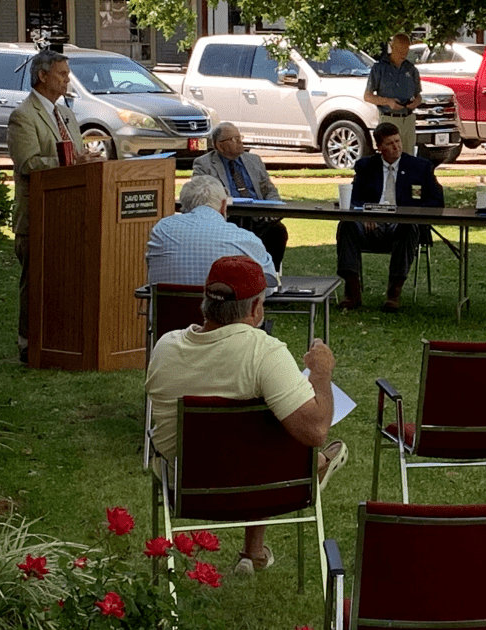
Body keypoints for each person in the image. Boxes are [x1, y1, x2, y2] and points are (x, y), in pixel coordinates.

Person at [146, 255, 347, 575]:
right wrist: (321, 373)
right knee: (271, 426)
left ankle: (252, 554)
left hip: (187, 486)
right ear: (255, 309)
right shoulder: (263, 353)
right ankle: (318, 465)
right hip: (263, 483)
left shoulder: (165, 348)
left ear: (206, 303)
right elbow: (315, 430)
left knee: (261, 420)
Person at [8, 48, 103, 363]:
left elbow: (72, 158)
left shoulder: (66, 113)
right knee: (34, 280)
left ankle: (59, 337)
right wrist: (73, 160)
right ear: (42, 76)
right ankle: (28, 342)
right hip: (38, 215)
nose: (67, 80)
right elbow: (28, 164)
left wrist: (86, 160)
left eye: (67, 74)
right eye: (61, 74)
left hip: (70, 213)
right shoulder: (23, 115)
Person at [335, 122, 443, 313]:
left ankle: (394, 290)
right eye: (390, 143)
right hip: (371, 226)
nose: (397, 147)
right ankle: (352, 289)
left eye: (398, 141)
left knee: (408, 227)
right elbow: (354, 199)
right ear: (380, 148)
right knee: (346, 225)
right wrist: (364, 214)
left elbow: (436, 202)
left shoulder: (420, 167)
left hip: (401, 226)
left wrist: (410, 213)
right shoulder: (366, 167)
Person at [146, 174, 276, 286]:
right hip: (224, 314)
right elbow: (270, 284)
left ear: (183, 206)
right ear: (223, 205)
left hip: (168, 313)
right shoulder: (245, 239)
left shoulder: (162, 229)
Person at [193, 122, 289, 271]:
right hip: (228, 220)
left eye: (240, 137)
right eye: (234, 139)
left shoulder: (254, 160)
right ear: (220, 146)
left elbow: (269, 189)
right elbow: (202, 195)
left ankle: (269, 276)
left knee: (277, 231)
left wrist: (273, 208)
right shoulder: (204, 165)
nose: (240, 142)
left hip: (259, 219)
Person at [365, 33, 422, 155]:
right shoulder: (379, 68)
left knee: (409, 159)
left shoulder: (411, 69)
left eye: (406, 50)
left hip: (408, 119)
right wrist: (388, 102)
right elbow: (368, 96)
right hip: (389, 118)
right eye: (400, 50)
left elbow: (419, 95)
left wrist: (416, 102)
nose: (403, 54)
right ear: (392, 47)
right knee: (390, 157)